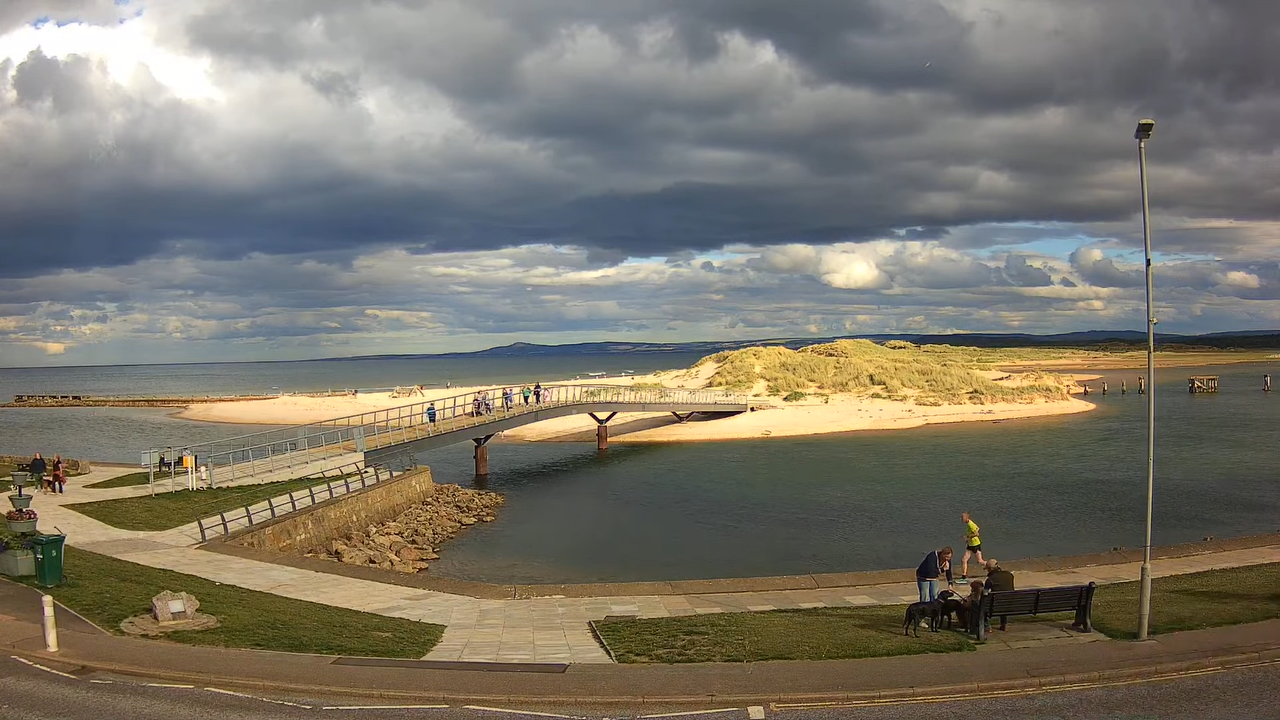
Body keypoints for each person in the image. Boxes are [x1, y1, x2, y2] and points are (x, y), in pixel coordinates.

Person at [983, 559, 1016, 632]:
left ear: (990, 569)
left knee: (982, 603)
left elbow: (985, 593)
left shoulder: (990, 579)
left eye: (987, 569)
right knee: (1003, 598)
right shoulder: (1009, 575)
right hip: (1010, 603)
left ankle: (987, 626)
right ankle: (1004, 624)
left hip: (996, 605)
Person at [960, 512, 984, 579]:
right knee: (964, 559)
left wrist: (967, 536)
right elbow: (977, 528)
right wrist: (968, 539)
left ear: (966, 517)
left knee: (980, 561)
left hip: (975, 544)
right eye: (961, 517)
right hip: (970, 544)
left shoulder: (970, 524)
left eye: (962, 517)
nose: (961, 519)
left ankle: (993, 566)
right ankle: (964, 575)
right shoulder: (969, 523)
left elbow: (977, 534)